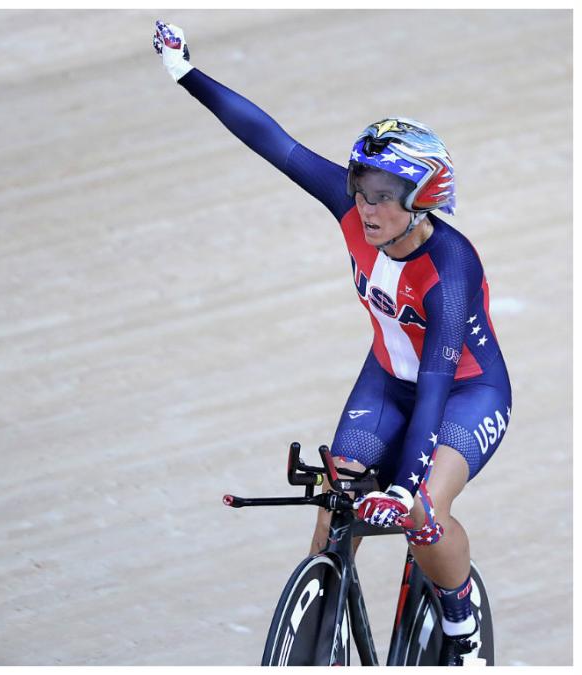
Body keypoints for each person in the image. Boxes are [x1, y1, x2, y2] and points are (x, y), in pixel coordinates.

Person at [152, 20, 511, 666]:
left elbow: (435, 380)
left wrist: (402, 489)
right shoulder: (351, 213)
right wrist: (186, 73)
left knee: (423, 510)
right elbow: (274, 142)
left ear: (420, 201)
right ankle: (323, 632)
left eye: (381, 196)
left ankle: (464, 630)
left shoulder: (451, 269)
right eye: (359, 189)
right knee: (334, 511)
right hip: (386, 379)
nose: (365, 208)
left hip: (464, 393)